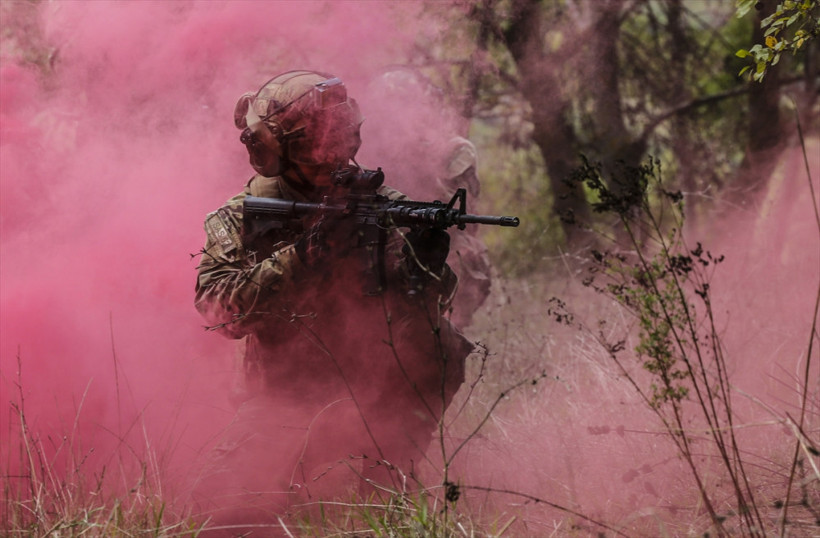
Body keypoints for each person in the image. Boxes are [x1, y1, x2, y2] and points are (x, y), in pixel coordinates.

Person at [193, 70, 472, 522]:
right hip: (284, 399)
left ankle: (387, 474)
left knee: (444, 341)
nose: (331, 156)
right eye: (312, 145)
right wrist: (305, 256)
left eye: (340, 139)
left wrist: (426, 264)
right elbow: (218, 309)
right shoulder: (239, 217)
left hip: (373, 392)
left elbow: (428, 307)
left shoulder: (380, 203)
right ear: (273, 150)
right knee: (219, 510)